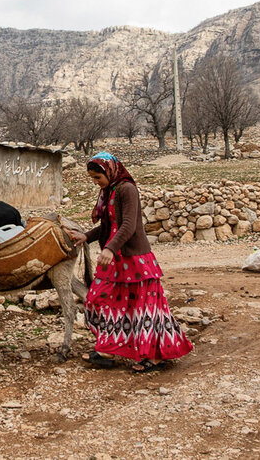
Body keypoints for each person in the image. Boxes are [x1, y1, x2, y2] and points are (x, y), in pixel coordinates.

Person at [68, 152, 192, 373]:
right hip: (116, 261)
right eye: (93, 179)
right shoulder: (109, 191)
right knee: (99, 300)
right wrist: (87, 236)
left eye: (98, 178)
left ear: (111, 170)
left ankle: (154, 356)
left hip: (134, 260)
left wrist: (109, 248)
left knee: (145, 310)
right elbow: (107, 225)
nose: (96, 183)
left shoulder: (127, 189)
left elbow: (128, 226)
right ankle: (109, 348)